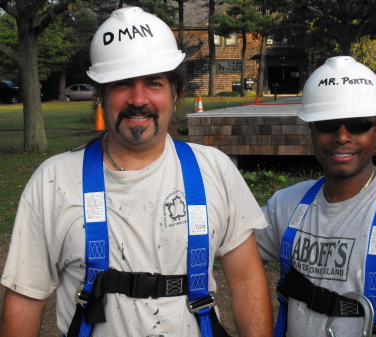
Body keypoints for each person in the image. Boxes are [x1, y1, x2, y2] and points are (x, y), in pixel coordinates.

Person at [0, 7, 272, 337]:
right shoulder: (53, 181)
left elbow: (245, 279)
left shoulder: (214, 170)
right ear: (100, 94)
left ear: (175, 93)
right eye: (122, 84)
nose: (138, 99)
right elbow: (25, 299)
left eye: (154, 83)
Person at [256, 56, 376, 337]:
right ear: (311, 130)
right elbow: (229, 246)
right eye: (328, 124)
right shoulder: (286, 206)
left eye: (358, 124)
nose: (343, 136)